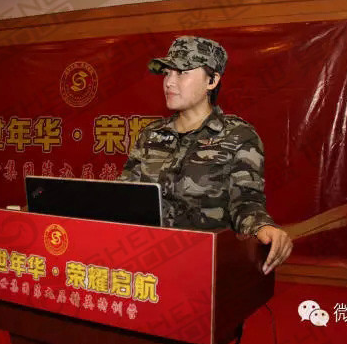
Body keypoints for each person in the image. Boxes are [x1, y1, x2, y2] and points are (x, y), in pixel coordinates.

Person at [118, 36, 292, 274]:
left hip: (203, 267)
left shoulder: (238, 136)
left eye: (181, 73)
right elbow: (125, 195)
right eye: (167, 73)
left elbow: (246, 203)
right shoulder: (151, 135)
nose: (169, 82)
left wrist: (262, 227)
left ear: (212, 80)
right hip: (145, 264)